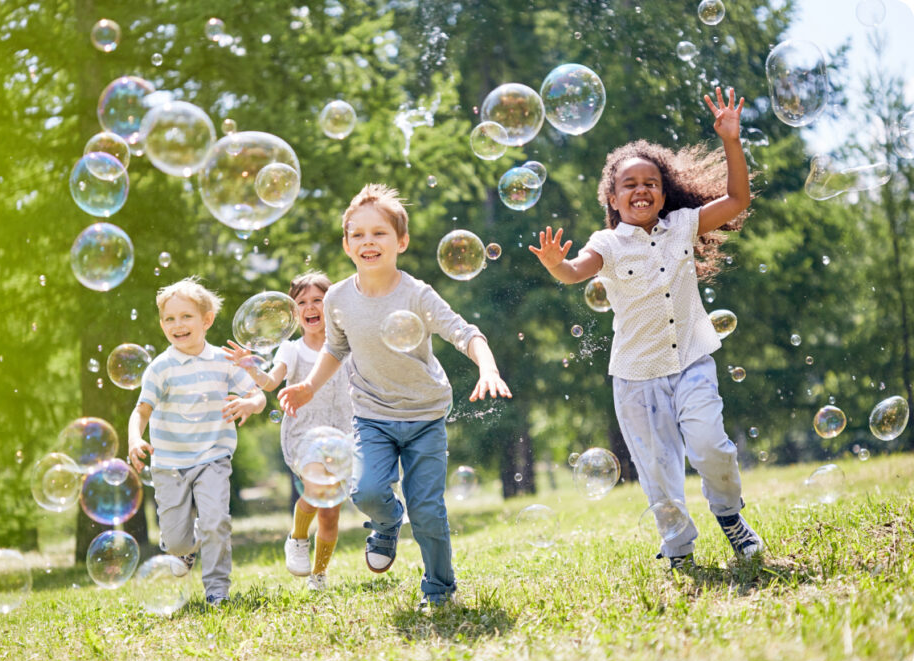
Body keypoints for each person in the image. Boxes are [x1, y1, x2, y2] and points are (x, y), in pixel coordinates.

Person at [529, 87, 763, 570]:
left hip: (692, 360)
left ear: (664, 190)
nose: (641, 189)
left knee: (711, 447)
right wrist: (556, 264)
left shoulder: (682, 225)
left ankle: (730, 516)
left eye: (651, 182)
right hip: (637, 377)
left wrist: (731, 141)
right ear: (612, 197)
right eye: (629, 183)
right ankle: (678, 550)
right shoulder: (608, 243)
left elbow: (738, 199)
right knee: (658, 475)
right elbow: (576, 271)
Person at [278, 184, 511, 608]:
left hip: (424, 415)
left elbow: (465, 333)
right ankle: (386, 524)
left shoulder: (417, 294)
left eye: (379, 233)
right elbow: (335, 348)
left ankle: (439, 589)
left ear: (400, 241)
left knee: (427, 511)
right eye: (358, 234)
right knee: (365, 492)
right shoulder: (337, 298)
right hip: (371, 416)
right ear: (347, 245)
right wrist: (309, 385)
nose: (369, 241)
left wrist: (488, 367)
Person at [128, 277, 267, 607]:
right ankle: (184, 551)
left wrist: (251, 403)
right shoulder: (160, 368)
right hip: (169, 464)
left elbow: (257, 394)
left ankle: (217, 590)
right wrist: (135, 438)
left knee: (216, 521)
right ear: (162, 324)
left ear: (206, 320)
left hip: (212, 457)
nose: (177, 325)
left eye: (186, 316)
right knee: (176, 541)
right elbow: (141, 410)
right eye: (169, 319)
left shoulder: (223, 360)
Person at [223, 271, 352, 592]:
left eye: (318, 300)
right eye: (302, 302)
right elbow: (270, 382)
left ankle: (319, 575)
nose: (310, 307)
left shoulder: (348, 343)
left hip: (344, 435)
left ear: (331, 304)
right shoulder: (291, 350)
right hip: (304, 434)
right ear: (294, 313)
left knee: (331, 514)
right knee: (315, 491)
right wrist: (251, 367)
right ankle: (297, 538)